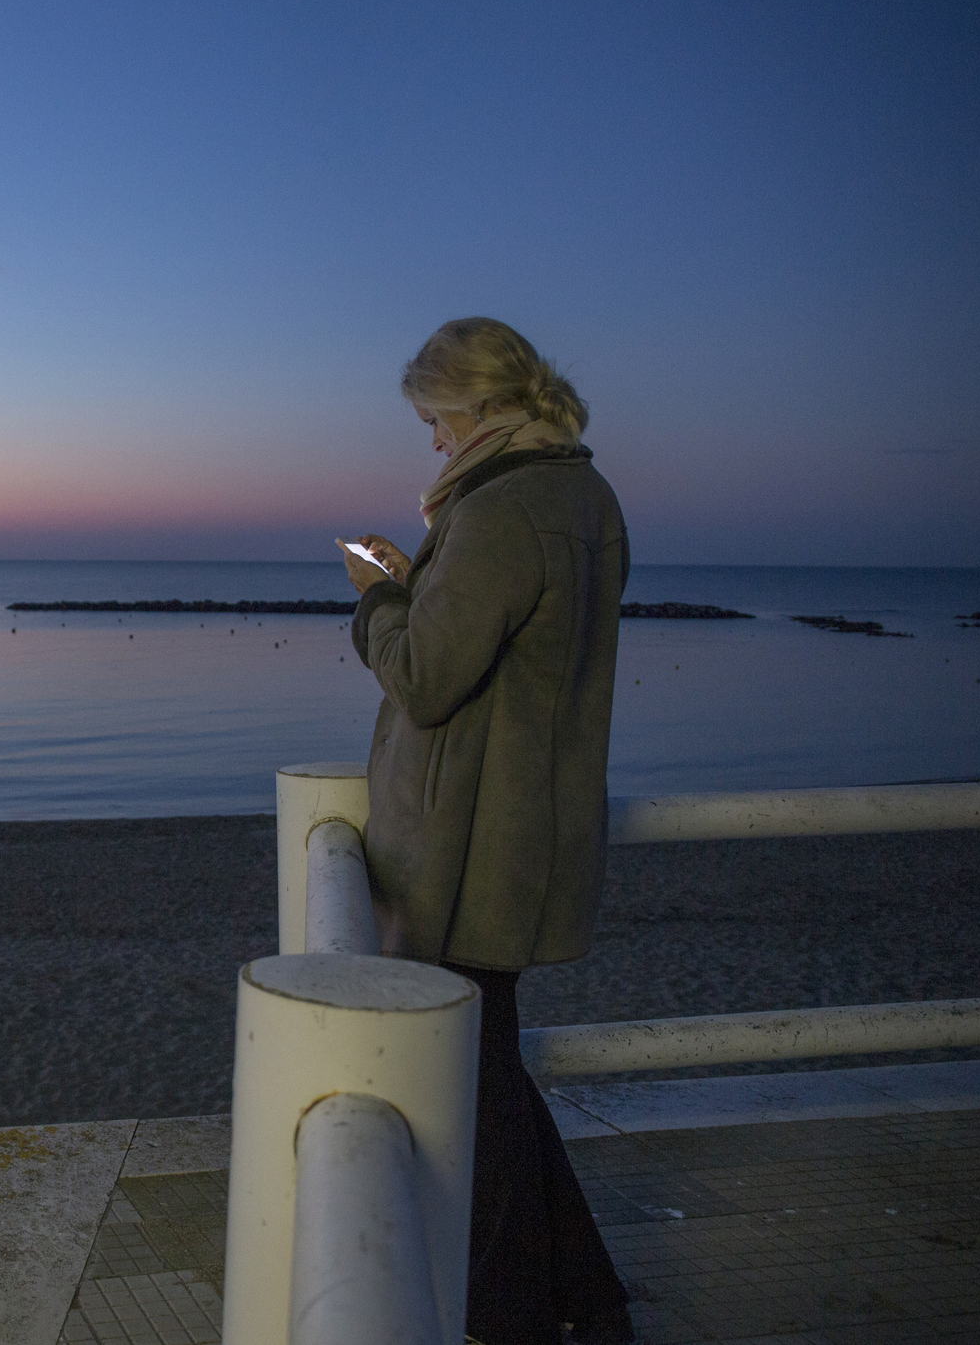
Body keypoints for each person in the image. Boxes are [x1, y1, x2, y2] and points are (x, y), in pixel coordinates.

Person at [335, 317, 636, 1345]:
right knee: (492, 1066)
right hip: (529, 828)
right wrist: (420, 588)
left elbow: (425, 678)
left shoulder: (505, 509)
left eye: (434, 418)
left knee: (477, 1089)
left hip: (473, 846)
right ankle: (587, 1303)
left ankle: (512, 1314)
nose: (430, 441)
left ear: (476, 405)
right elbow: (514, 657)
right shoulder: (584, 494)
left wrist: (377, 601)